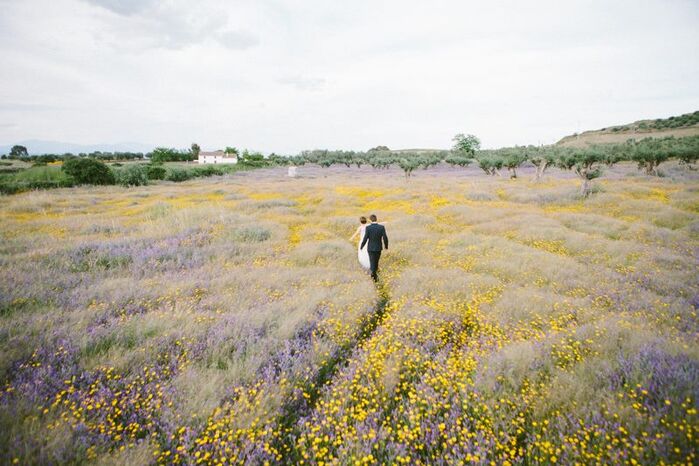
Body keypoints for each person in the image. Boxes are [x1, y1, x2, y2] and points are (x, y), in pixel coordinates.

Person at [360, 214, 388, 281]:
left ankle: (373, 273)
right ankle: (374, 274)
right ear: (376, 219)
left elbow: (365, 238)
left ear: (370, 220)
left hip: (370, 247)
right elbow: (385, 237)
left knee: (372, 260)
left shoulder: (368, 228)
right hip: (378, 247)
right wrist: (386, 246)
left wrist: (362, 246)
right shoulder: (381, 227)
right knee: (376, 260)